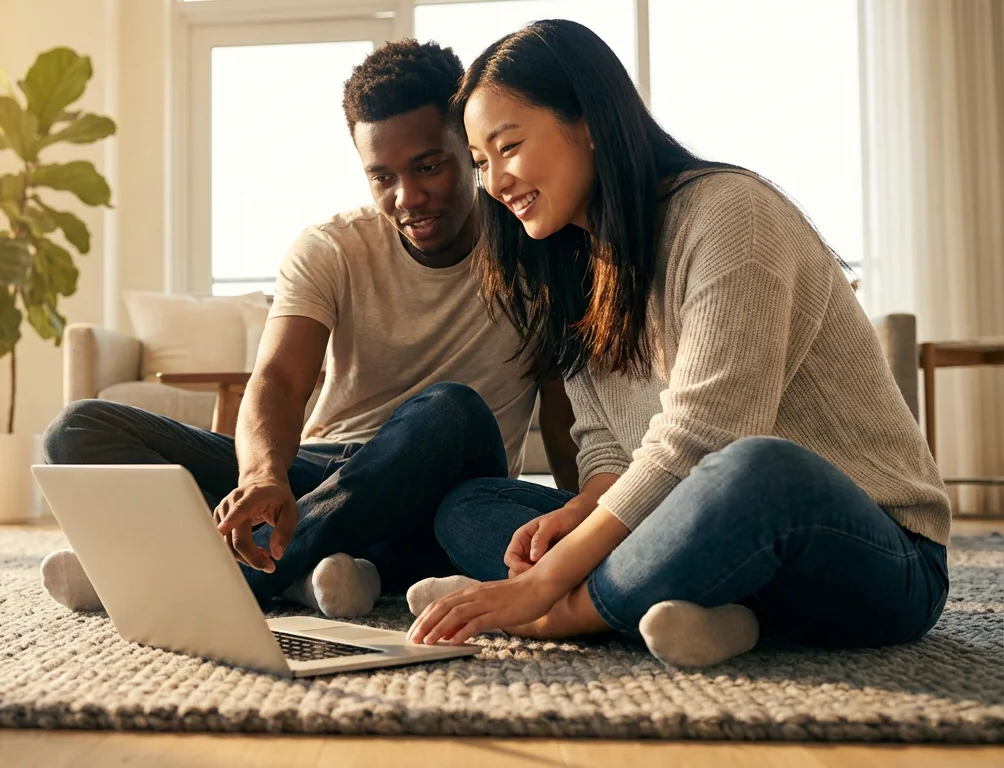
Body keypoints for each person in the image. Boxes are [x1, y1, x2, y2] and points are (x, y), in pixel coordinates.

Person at [406, 20, 951, 668]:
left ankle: (573, 616)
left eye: (509, 146)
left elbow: (704, 439)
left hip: (877, 552)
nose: (494, 182)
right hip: (699, 531)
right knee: (471, 505)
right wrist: (583, 506)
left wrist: (543, 588)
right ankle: (712, 613)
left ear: (587, 121)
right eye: (480, 162)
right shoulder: (567, 261)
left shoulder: (729, 215)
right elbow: (606, 445)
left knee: (757, 470)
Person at [38, 40, 580, 620]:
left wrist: (578, 514)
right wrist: (264, 476)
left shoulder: (536, 248)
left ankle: (194, 575)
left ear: (468, 149)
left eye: (428, 166)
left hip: (440, 484)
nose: (408, 197)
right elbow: (278, 378)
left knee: (450, 411)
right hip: (321, 476)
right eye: (382, 177)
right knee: (77, 430)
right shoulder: (332, 247)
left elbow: (562, 410)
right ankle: (318, 569)